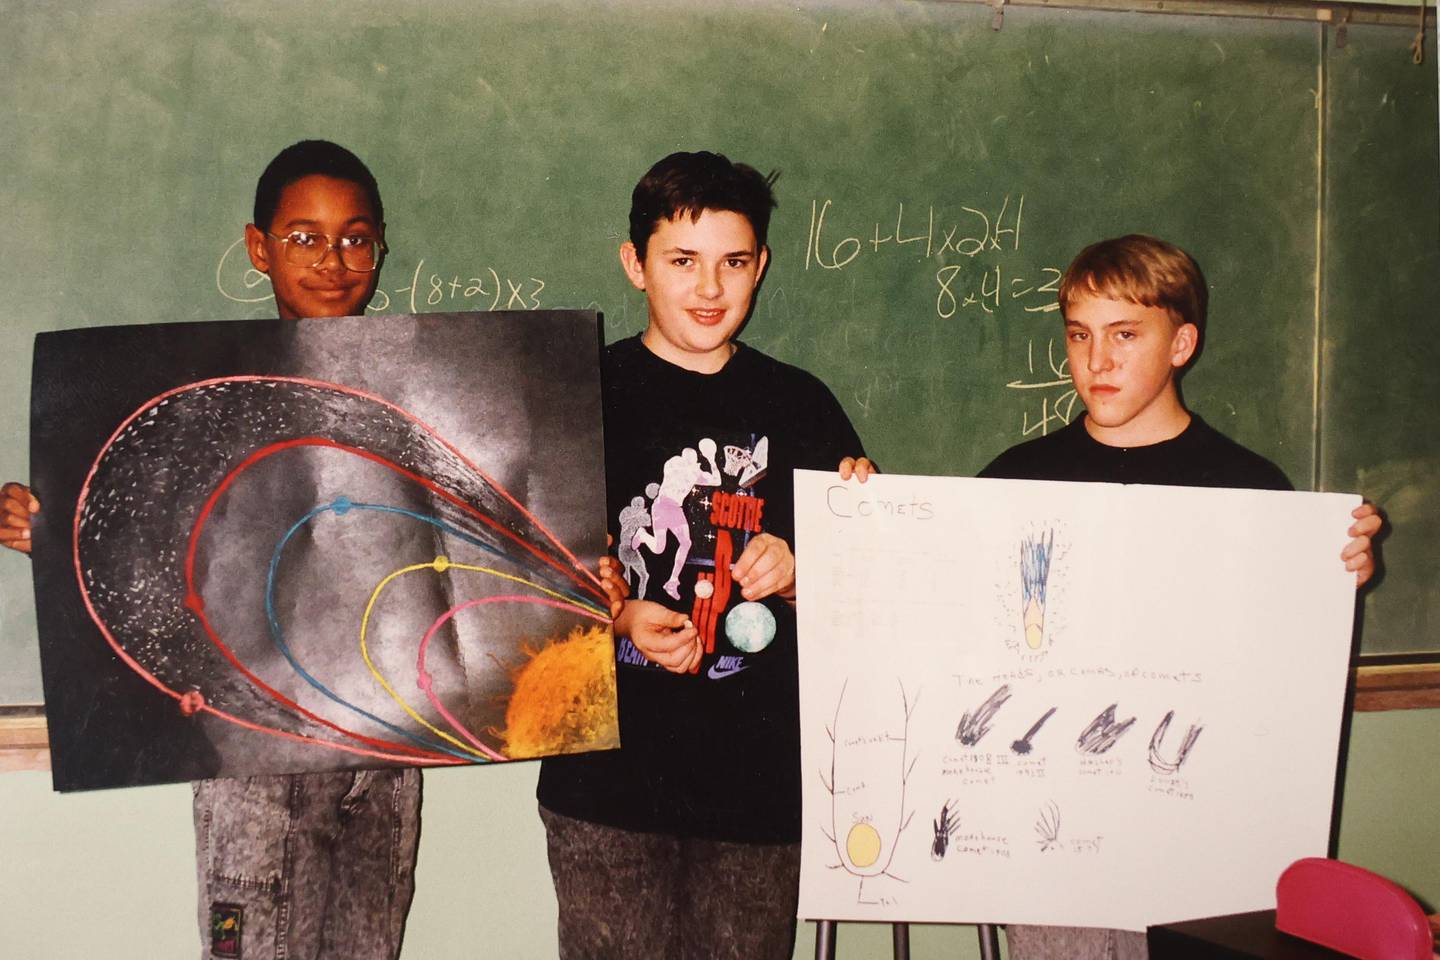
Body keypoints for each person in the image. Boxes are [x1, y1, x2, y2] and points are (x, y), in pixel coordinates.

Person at [842, 233, 1380, 960]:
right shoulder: (1014, 482)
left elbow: (1277, 677)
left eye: (1126, 335)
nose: (1097, 361)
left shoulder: (1250, 491)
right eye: (1080, 336)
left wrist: (1335, 572)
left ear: (1182, 342)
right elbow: (939, 636)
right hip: (1057, 851)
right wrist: (860, 531)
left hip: (1200, 852)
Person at [2, 140, 424, 960]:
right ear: (258, 247)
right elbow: (146, 546)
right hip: (251, 764)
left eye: (355, 237)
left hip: (386, 761)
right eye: (303, 237)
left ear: (381, 246)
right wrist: (52, 537)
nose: (333, 260)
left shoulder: (418, 396)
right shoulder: (198, 397)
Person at [536, 150, 867, 959]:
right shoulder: (577, 394)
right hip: (604, 780)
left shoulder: (802, 405)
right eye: (682, 261)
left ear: (762, 266)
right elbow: (517, 576)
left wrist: (804, 571)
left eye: (733, 262)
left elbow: (869, 597)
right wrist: (614, 613)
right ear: (635, 265)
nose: (710, 289)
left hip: (759, 786)